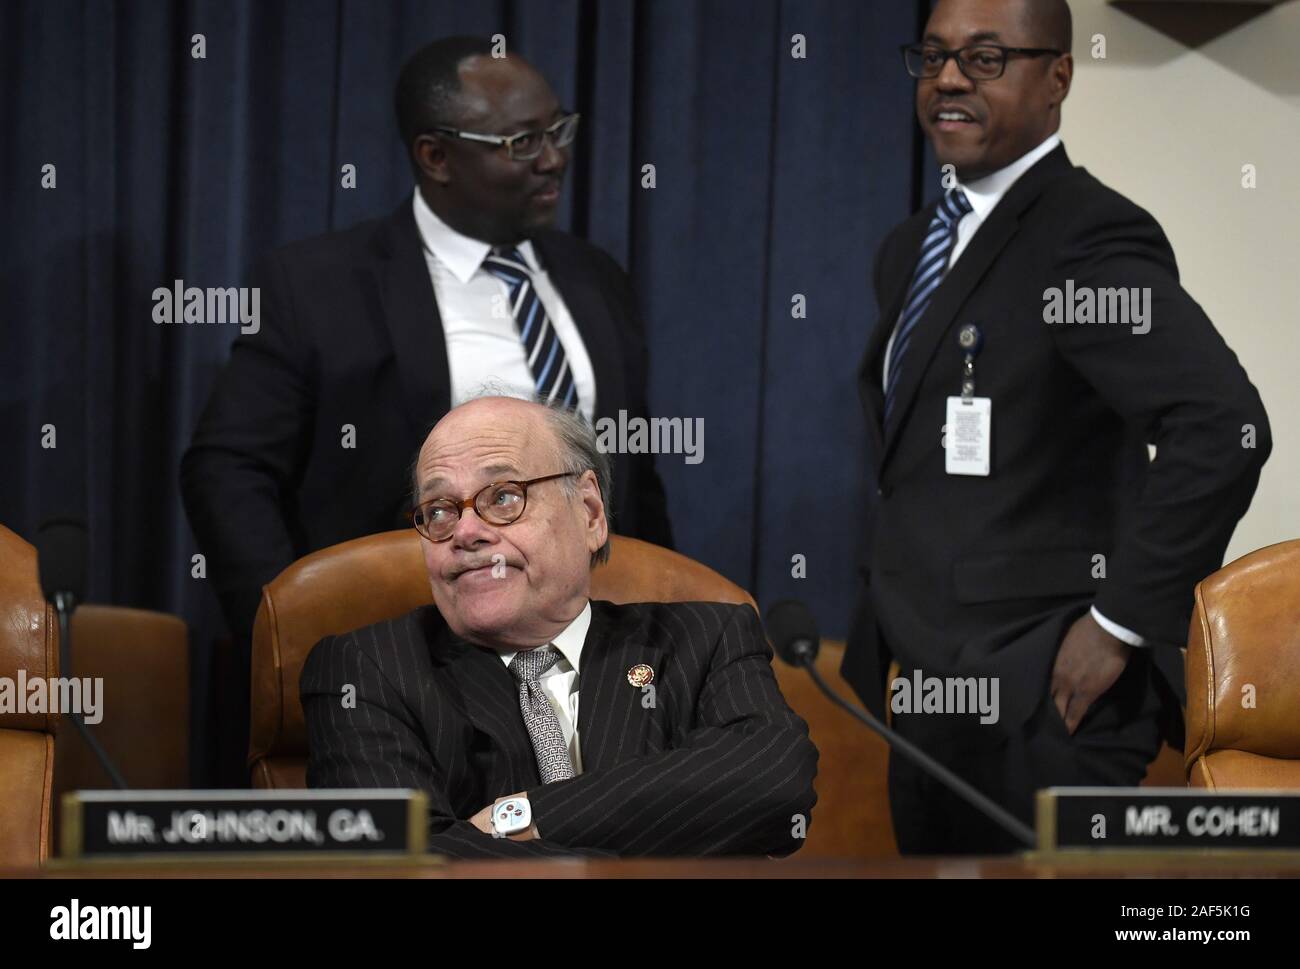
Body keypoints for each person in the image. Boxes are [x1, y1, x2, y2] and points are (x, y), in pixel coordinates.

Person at [841, 0, 1270, 854]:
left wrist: (1119, 624)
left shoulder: (1085, 234)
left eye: (987, 58)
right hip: (927, 694)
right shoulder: (912, 246)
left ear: (1059, 77)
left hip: (1045, 700)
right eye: (932, 56)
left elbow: (1223, 426)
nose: (951, 78)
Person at [180, 38, 673, 781]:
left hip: (592, 679)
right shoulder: (319, 284)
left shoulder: (595, 279)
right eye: (521, 142)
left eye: (558, 130)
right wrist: (297, 644)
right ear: (435, 156)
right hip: (408, 681)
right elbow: (227, 469)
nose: (553, 159)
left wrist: (657, 634)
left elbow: (633, 474)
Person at [301, 396, 817, 857]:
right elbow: (408, 858)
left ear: (590, 513)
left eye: (502, 496)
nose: (465, 532)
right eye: (439, 510)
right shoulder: (368, 669)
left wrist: (525, 816)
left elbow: (775, 780)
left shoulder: (703, 639)